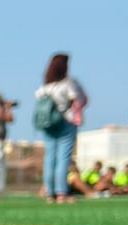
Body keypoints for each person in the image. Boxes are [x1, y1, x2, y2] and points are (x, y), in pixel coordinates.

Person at [36, 53, 88, 204]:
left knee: (50, 158)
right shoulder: (68, 84)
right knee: (63, 158)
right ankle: (61, 193)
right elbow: (78, 100)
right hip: (66, 122)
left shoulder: (45, 87)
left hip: (48, 124)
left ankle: (49, 193)